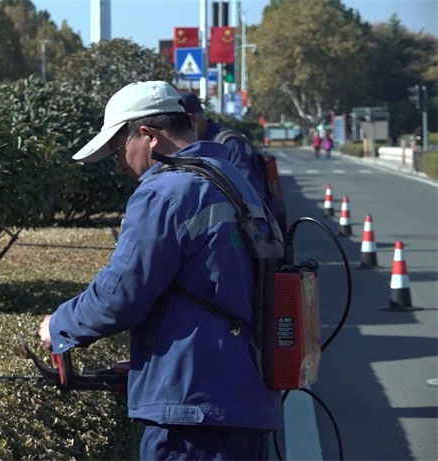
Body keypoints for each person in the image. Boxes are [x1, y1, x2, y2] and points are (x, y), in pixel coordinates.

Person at [38, 81, 282, 460]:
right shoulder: (236, 182)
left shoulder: (164, 192)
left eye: (118, 149)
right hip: (247, 401)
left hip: (191, 415)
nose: (119, 164)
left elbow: (121, 293)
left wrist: (59, 326)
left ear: (149, 136)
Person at [180, 93, 270, 212]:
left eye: (178, 126)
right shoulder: (195, 144)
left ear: (192, 120)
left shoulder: (230, 143)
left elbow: (246, 191)